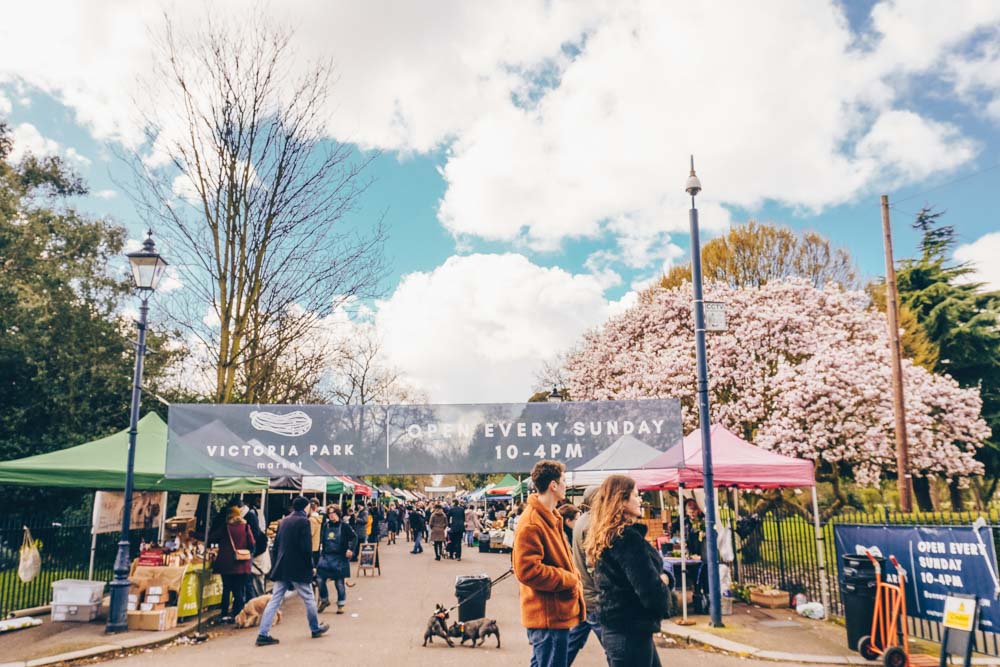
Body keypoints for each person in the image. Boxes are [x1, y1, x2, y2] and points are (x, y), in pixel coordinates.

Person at [585, 475, 670, 667]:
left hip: (619, 628)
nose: (640, 500)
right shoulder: (627, 539)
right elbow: (649, 590)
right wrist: (664, 581)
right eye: (636, 495)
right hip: (631, 631)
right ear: (622, 500)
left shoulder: (607, 535)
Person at [512, 460, 585, 667]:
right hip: (547, 617)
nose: (566, 485)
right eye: (563, 481)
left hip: (553, 615)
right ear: (553, 485)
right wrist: (568, 579)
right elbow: (527, 571)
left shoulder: (550, 516)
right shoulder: (533, 522)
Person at [255, 496, 329, 646]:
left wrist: (277, 563)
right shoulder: (304, 522)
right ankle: (315, 628)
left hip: (283, 566)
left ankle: (263, 633)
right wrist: (311, 566)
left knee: (275, 600)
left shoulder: (284, 521)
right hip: (298, 567)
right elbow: (306, 548)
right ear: (305, 507)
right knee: (308, 597)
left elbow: (276, 545)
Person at [567, 486, 603, 666]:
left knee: (571, 642)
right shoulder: (590, 525)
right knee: (615, 647)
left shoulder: (582, 520)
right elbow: (593, 563)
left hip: (585, 593)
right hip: (594, 596)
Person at [210, 505, 255, 623]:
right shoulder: (246, 527)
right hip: (242, 564)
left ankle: (224, 614)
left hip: (227, 564)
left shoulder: (226, 528)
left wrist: (193, 534)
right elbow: (252, 544)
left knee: (226, 589)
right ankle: (238, 614)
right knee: (239, 590)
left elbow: (212, 538)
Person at [316, 505, 355, 615]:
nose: (331, 515)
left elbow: (354, 537)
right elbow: (321, 540)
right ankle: (324, 600)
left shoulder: (344, 526)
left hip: (340, 558)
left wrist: (350, 549)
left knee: (339, 583)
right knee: (319, 579)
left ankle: (341, 605)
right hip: (326, 557)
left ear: (338, 513)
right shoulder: (325, 526)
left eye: (333, 513)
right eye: (329, 513)